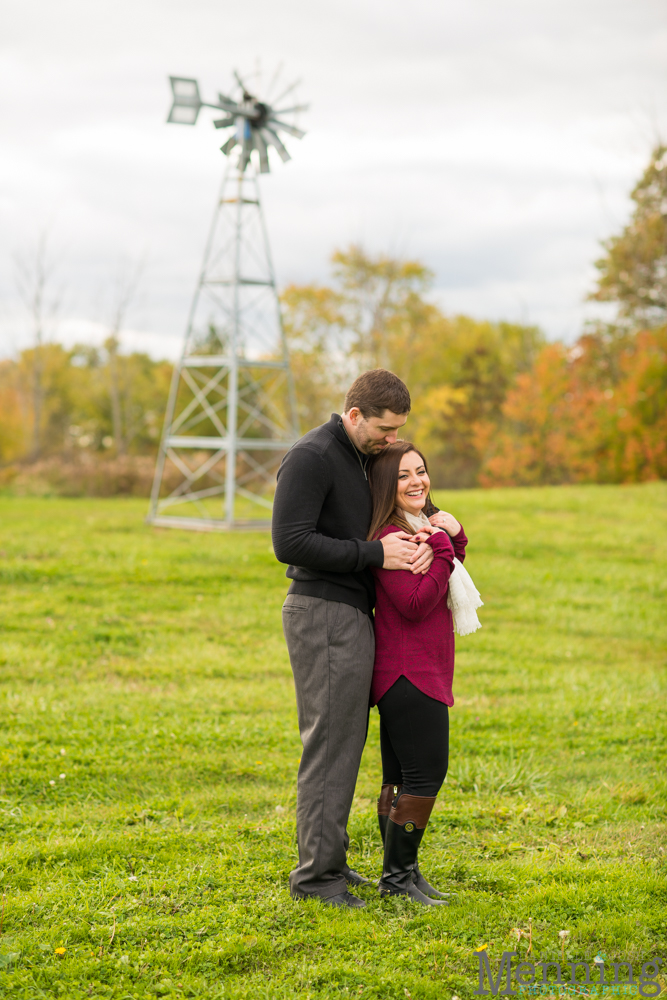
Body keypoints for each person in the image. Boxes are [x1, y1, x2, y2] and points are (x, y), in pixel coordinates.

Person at [272, 369, 435, 908]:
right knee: (330, 745)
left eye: (398, 432)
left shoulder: (360, 457)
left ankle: (332, 864)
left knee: (346, 743)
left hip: (350, 613)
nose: (391, 441)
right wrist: (374, 556)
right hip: (322, 611)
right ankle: (316, 879)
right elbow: (289, 542)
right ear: (356, 414)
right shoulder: (312, 456)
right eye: (385, 430)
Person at [367, 440, 469, 906]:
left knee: (402, 778)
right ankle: (396, 879)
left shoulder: (419, 528)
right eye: (404, 475)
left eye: (421, 471)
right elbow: (414, 603)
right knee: (426, 775)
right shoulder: (393, 537)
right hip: (408, 673)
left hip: (416, 669)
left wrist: (454, 537)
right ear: (388, 486)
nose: (417, 482)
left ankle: (403, 875)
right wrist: (444, 548)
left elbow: (445, 573)